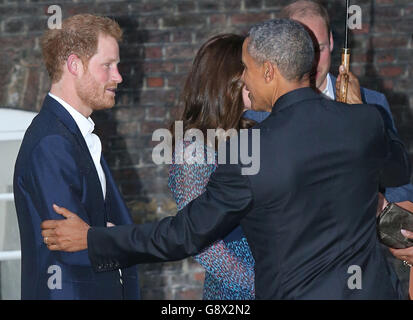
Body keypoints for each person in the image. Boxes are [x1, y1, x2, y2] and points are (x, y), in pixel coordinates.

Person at [41, 19, 411, 299]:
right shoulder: (365, 120)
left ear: (269, 71)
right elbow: (397, 168)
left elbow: (184, 235)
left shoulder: (250, 149)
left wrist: (93, 240)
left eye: (248, 68)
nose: (245, 80)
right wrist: (359, 108)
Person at [13, 14, 140, 299]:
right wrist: (120, 239)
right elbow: (71, 246)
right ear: (74, 65)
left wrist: (101, 233)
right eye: (107, 66)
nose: (118, 77)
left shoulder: (72, 134)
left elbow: (92, 234)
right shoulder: (51, 142)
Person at [245, 0, 413, 205]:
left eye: (320, 48)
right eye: (302, 51)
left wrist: (379, 206)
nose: (312, 61)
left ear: (332, 42)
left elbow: (401, 182)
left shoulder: (373, 102)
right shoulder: (256, 113)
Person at [168, 33, 255, 299]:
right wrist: (254, 285)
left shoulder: (249, 132)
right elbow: (200, 242)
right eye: (250, 70)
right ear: (229, 81)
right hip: (236, 286)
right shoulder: (193, 150)